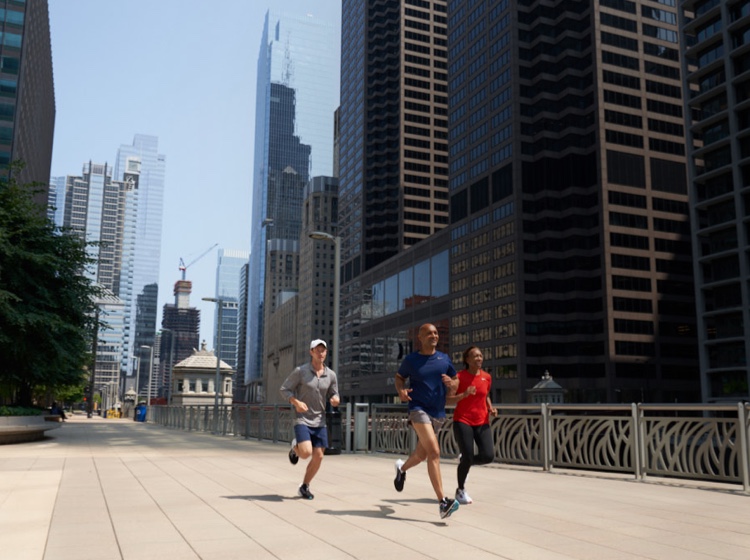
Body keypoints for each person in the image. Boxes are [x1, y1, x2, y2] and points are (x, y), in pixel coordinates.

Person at [393, 323, 460, 519]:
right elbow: (399, 378)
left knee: (421, 455)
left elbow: (456, 381)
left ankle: (401, 469)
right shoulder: (412, 360)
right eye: (429, 333)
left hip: (438, 413)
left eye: (436, 333)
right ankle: (443, 503)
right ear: (420, 338)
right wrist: (401, 391)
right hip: (418, 409)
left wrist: (452, 383)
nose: (434, 336)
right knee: (434, 452)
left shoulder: (444, 359)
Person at [280, 339, 340, 500]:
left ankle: (305, 486)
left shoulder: (331, 375)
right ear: (311, 352)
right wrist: (296, 402)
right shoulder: (301, 371)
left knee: (319, 456)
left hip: (320, 420)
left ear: (326, 353)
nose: (321, 353)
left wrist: (335, 399)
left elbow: (334, 394)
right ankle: (295, 447)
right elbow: (284, 389)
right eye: (317, 350)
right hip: (302, 418)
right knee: (306, 453)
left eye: (323, 350)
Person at [446, 346, 498, 505]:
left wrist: (491, 407)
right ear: (467, 359)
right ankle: (460, 490)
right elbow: (448, 400)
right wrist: (464, 394)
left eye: (481, 355)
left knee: (488, 456)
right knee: (468, 456)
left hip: (482, 421)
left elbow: (485, 395)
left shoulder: (487, 377)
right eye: (475, 356)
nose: (479, 358)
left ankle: (466, 461)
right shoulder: (459, 377)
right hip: (463, 420)